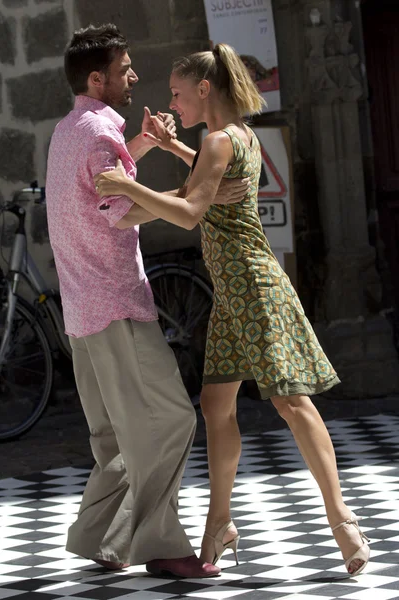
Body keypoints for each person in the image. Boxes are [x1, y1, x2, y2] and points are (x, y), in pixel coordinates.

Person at [94, 42, 371, 578]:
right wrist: (174, 154)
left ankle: (342, 520)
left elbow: (191, 210)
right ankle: (220, 522)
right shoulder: (229, 137)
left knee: (292, 403)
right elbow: (205, 180)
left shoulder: (220, 140)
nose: (171, 102)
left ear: (203, 90)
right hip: (234, 293)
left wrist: (130, 186)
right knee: (216, 403)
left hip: (254, 288)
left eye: (177, 93)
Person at [45, 24, 249, 579]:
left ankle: (97, 537)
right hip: (117, 306)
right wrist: (189, 194)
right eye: (125, 69)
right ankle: (161, 546)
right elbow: (121, 211)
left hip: (82, 312)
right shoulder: (98, 137)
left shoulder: (70, 130)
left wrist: (138, 148)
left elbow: (96, 193)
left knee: (113, 436)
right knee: (170, 420)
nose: (134, 76)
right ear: (98, 78)